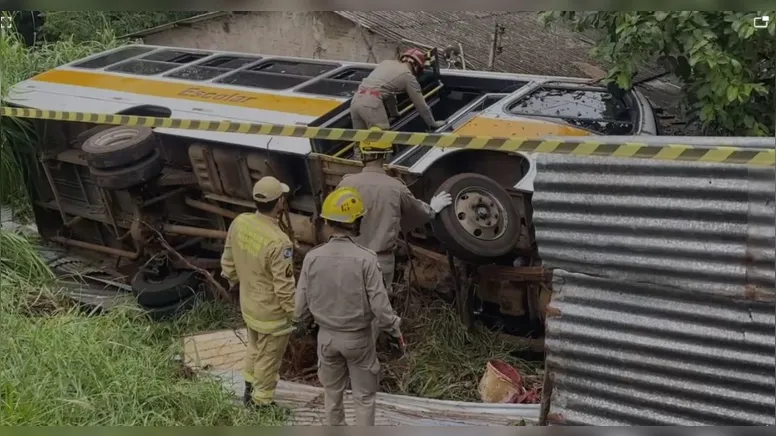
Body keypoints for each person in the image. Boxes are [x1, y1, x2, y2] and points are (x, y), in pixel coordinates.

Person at [293, 186, 402, 426]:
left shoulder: (312, 257)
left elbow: (299, 306)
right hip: (359, 339)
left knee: (332, 396)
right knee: (364, 398)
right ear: (356, 223)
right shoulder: (366, 258)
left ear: (328, 223)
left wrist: (298, 324)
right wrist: (394, 329)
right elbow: (381, 308)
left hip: (327, 339)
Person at [336, 128, 453, 296]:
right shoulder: (395, 187)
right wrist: (432, 208)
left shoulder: (346, 184)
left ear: (362, 153)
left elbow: (334, 218)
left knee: (350, 304)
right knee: (377, 309)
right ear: (386, 154)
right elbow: (415, 216)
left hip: (348, 259)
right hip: (379, 262)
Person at [220, 176, 296, 410]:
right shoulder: (279, 242)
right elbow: (284, 287)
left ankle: (248, 390)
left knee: (254, 348)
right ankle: (262, 404)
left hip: (249, 304)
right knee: (269, 358)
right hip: (271, 314)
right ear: (280, 202)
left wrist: (234, 281)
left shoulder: (240, 222)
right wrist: (295, 315)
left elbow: (228, 260)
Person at [350, 47, 446, 131]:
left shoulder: (386, 63)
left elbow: (387, 92)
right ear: (417, 66)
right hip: (372, 103)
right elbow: (421, 105)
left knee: (359, 139)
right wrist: (432, 123)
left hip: (356, 100)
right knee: (380, 140)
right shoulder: (408, 76)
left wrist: (394, 113)